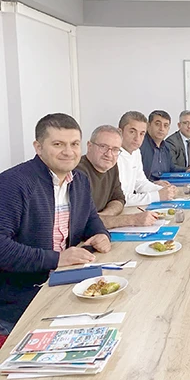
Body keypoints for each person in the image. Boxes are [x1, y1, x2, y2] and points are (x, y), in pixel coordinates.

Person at [0, 113, 110, 335]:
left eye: (74, 144)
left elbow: (91, 219)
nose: (68, 152)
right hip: (21, 302)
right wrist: (58, 259)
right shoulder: (12, 183)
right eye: (58, 144)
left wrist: (101, 234)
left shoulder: (79, 180)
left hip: (66, 284)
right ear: (38, 147)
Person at [76, 125, 158, 229]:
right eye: (103, 147)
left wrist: (105, 215)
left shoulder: (111, 166)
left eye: (115, 149)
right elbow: (83, 222)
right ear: (89, 146)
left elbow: (119, 199)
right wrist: (133, 219)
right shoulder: (78, 173)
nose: (109, 154)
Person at [117, 111, 177, 207]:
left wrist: (164, 190)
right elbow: (121, 199)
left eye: (142, 134)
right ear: (120, 132)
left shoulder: (136, 152)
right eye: (132, 132)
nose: (137, 138)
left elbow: (141, 183)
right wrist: (157, 195)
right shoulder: (112, 156)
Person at [140, 110, 187, 181]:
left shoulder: (166, 146)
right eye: (157, 124)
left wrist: (187, 170)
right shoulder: (140, 145)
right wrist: (153, 183)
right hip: (147, 186)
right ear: (148, 125)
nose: (161, 129)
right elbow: (136, 177)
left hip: (164, 185)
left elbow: (172, 168)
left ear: (168, 129)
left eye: (165, 125)